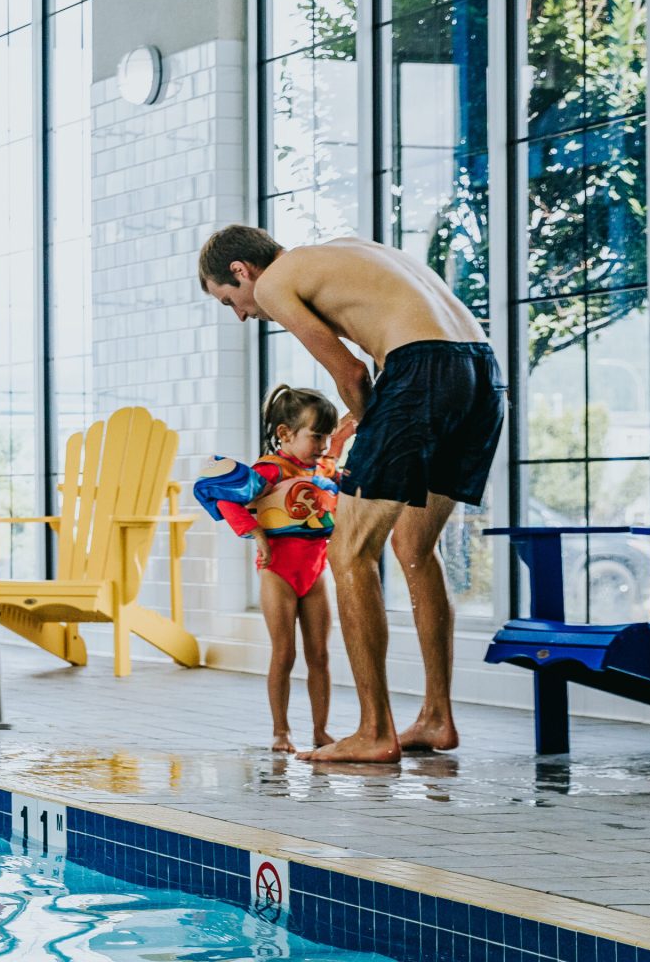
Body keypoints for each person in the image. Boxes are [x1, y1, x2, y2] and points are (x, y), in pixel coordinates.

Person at [199, 225, 505, 763]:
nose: (242, 314)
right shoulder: (350, 249)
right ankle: (437, 718)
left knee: (348, 551)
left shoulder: (274, 283)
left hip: (421, 367)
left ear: (242, 272)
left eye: (230, 300)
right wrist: (375, 430)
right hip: (481, 372)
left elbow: (352, 373)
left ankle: (374, 731)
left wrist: (370, 430)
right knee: (414, 548)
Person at [201, 385, 348, 753]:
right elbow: (226, 497)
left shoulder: (322, 469)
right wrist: (256, 534)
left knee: (320, 656)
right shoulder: (270, 469)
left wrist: (342, 438)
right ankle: (281, 732)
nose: (321, 445)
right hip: (278, 571)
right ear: (285, 433)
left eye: (325, 437)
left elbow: (333, 484)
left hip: (314, 572)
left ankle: (321, 731)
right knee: (285, 653)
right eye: (315, 436)